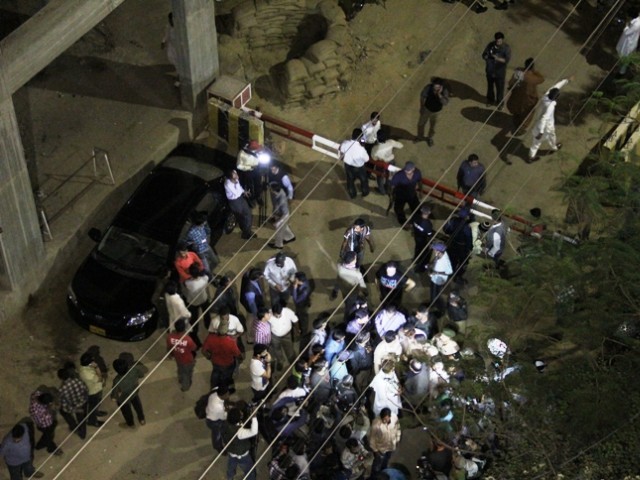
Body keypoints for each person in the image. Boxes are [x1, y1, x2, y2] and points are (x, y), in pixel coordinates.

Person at [528, 78, 571, 162]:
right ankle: (554, 147)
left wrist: (566, 81)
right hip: (547, 127)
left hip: (538, 124)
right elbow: (544, 118)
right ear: (556, 97)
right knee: (552, 137)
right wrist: (541, 132)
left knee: (535, 143)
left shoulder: (546, 96)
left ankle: (531, 157)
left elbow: (555, 87)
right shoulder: (551, 106)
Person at [507, 58, 545, 133]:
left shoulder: (518, 73)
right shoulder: (533, 78)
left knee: (516, 109)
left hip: (517, 96)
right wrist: (535, 72)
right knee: (528, 113)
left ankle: (516, 123)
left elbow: (510, 83)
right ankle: (521, 128)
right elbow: (542, 79)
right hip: (528, 99)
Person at [202, 318, 242, 389]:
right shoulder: (231, 342)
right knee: (226, 376)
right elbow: (238, 354)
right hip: (228, 363)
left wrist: (208, 357)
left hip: (215, 361)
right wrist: (240, 358)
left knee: (215, 373)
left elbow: (204, 351)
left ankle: (214, 387)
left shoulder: (210, 338)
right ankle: (224, 388)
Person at [221, 408, 258, 480]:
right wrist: (254, 417)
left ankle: (230, 477)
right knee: (250, 471)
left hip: (231, 451)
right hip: (242, 456)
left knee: (231, 465)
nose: (242, 414)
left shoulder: (225, 424)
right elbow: (254, 432)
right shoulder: (240, 432)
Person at [111, 358, 147, 428]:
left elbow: (114, 396)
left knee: (126, 411)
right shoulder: (134, 369)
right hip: (134, 392)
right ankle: (142, 419)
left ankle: (131, 424)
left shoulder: (117, 380)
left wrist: (113, 397)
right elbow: (141, 375)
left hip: (123, 398)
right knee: (137, 406)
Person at [442, 208, 473, 283]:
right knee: (463, 263)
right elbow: (469, 239)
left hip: (452, 243)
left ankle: (448, 271)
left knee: (451, 259)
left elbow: (445, 229)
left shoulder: (453, 220)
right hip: (461, 247)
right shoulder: (466, 227)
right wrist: (469, 248)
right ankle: (458, 277)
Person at [416, 77, 450, 147]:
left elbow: (445, 103)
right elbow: (422, 96)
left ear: (441, 87)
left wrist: (439, 95)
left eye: (438, 87)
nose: (436, 88)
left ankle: (430, 138)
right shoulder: (428, 88)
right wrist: (422, 107)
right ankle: (420, 137)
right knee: (421, 124)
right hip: (427, 109)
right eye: (435, 86)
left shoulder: (444, 91)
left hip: (436, 112)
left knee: (433, 127)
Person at [57, 367, 89, 439]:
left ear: (61, 378)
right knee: (82, 420)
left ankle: (74, 426)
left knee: (63, 412)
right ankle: (83, 434)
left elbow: (65, 407)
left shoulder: (62, 389)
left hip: (74, 405)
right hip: (83, 403)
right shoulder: (78, 381)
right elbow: (86, 390)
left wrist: (75, 410)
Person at [166, 318, 197, 391]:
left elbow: (168, 347)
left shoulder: (170, 337)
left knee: (180, 369)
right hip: (187, 360)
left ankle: (180, 379)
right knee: (186, 373)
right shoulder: (187, 339)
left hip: (178, 358)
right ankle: (185, 386)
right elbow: (194, 348)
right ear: (184, 328)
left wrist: (170, 355)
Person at [482, 32, 511, 108]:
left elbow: (506, 60)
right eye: (497, 41)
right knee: (490, 87)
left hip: (499, 72)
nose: (498, 42)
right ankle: (490, 100)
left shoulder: (506, 48)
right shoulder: (490, 45)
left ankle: (500, 103)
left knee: (500, 88)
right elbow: (484, 54)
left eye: (500, 41)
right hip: (490, 70)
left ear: (502, 40)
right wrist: (486, 56)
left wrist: (497, 58)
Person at [78, 352, 107, 427]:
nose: (93, 361)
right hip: (93, 391)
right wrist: (97, 367)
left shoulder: (84, 367)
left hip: (96, 388)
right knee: (92, 407)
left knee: (97, 403)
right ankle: (92, 421)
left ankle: (97, 412)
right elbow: (100, 378)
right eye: (92, 360)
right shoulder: (88, 374)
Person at [389, 161, 422, 226]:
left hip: (411, 193)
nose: (407, 172)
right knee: (398, 209)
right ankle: (403, 222)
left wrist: (420, 191)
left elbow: (419, 181)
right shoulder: (398, 175)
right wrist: (391, 195)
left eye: (409, 170)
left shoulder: (417, 173)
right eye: (406, 170)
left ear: (413, 169)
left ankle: (416, 221)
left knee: (416, 208)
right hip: (400, 195)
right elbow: (392, 186)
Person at [29, 391, 62, 456]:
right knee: (49, 437)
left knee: (48, 436)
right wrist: (50, 409)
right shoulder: (34, 410)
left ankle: (41, 445)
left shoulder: (37, 394)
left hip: (50, 421)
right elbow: (42, 421)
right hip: (45, 426)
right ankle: (51, 448)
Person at [340, 128, 370, 198]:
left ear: (352, 135)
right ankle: (365, 192)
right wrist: (363, 146)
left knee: (350, 181)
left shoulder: (345, 143)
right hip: (359, 168)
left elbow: (341, 150)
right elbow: (367, 159)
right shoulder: (361, 149)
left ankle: (352, 194)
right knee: (364, 180)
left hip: (348, 166)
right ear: (360, 138)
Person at [369, 408, 401, 474]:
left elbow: (398, 428)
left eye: (386, 419)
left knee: (386, 460)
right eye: (383, 418)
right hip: (381, 449)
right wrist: (376, 451)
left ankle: (383, 472)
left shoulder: (394, 418)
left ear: (390, 417)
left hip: (391, 447)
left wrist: (397, 439)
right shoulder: (376, 424)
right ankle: (374, 475)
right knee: (377, 464)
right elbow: (372, 439)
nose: (384, 420)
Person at [224, 169, 255, 240]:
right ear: (230, 177)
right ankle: (246, 233)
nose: (236, 175)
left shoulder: (235, 180)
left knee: (247, 214)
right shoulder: (228, 184)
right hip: (235, 201)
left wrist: (244, 191)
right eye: (234, 174)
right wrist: (237, 183)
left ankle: (246, 231)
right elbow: (236, 193)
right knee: (242, 217)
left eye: (235, 173)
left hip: (239, 199)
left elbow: (239, 189)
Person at [371, 129, 403, 195]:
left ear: (377, 138)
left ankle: (382, 191)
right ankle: (388, 188)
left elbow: (374, 158)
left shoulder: (375, 149)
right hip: (391, 161)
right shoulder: (390, 142)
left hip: (381, 163)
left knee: (380, 178)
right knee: (390, 176)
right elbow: (401, 145)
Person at [269, 302, 299, 371]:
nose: (278, 317)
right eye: (276, 316)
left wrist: (297, 330)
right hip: (275, 336)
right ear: (272, 312)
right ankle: (280, 361)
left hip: (287, 335)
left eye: (279, 315)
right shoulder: (269, 314)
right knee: (276, 350)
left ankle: (292, 360)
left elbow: (295, 320)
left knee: (289, 348)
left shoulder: (288, 312)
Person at [268, 182, 296, 249]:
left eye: (270, 189)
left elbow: (285, 214)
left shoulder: (282, 201)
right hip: (278, 214)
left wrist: (278, 222)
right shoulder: (277, 193)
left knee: (279, 231)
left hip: (283, 216)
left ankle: (278, 245)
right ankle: (290, 237)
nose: (269, 190)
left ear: (274, 191)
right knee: (284, 227)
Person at [241, 268, 265, 339]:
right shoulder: (249, 291)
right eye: (260, 276)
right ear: (256, 277)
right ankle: (250, 336)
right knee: (251, 321)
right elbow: (252, 305)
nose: (261, 277)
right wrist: (256, 314)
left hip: (255, 303)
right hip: (252, 308)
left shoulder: (250, 277)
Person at [205, 383, 230, 453]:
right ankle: (218, 447)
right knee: (217, 435)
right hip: (213, 421)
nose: (228, 395)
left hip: (210, 414)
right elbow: (224, 417)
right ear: (223, 395)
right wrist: (227, 411)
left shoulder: (213, 395)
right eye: (227, 394)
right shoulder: (218, 407)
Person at [429, 242, 453, 307]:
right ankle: (433, 302)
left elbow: (450, 272)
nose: (434, 250)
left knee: (434, 292)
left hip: (438, 280)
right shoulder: (440, 254)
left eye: (435, 249)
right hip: (434, 277)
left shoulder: (445, 260)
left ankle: (433, 304)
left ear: (438, 251)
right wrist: (431, 264)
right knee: (432, 290)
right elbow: (435, 259)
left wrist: (436, 273)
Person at [617, 8, 640, 75]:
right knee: (624, 56)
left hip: (630, 43)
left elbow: (627, 32)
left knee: (625, 59)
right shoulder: (637, 20)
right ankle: (620, 69)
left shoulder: (637, 24)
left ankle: (621, 73)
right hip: (630, 41)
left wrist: (626, 26)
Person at [412, 205, 434, 273]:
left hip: (416, 236)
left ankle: (416, 259)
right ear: (429, 213)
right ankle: (421, 266)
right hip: (424, 240)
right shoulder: (428, 224)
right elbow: (429, 234)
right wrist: (430, 242)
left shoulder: (416, 217)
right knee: (424, 252)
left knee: (417, 247)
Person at [161, 12, 179, 87]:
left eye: (172, 20)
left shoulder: (179, 28)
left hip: (179, 49)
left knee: (179, 64)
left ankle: (179, 79)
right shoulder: (168, 26)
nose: (170, 22)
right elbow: (166, 34)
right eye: (169, 20)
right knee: (171, 58)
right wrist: (163, 42)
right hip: (172, 47)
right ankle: (178, 72)